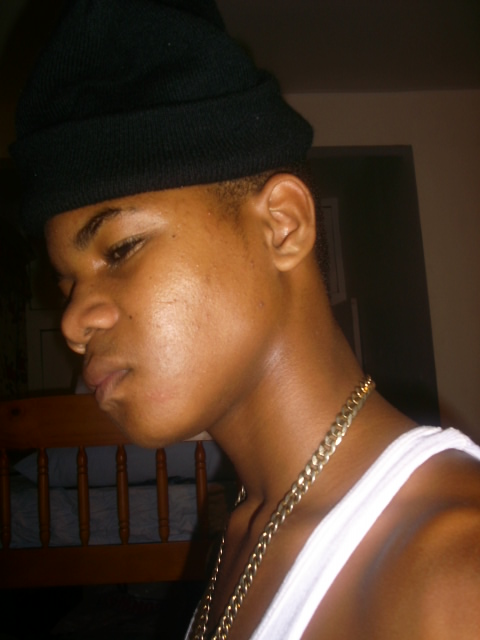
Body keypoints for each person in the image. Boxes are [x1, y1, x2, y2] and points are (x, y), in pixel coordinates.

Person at [10, 1, 480, 638]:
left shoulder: (455, 568)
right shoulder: (245, 524)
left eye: (120, 249)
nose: (71, 322)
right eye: (66, 285)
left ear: (282, 225)